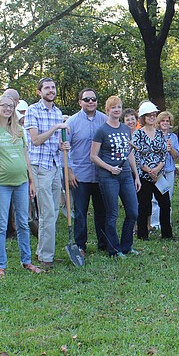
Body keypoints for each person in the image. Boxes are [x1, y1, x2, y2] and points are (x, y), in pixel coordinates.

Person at [0, 95, 43, 278]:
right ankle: (1, 266)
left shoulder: (18, 129)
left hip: (21, 182)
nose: (7, 108)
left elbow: (25, 156)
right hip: (1, 184)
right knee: (1, 225)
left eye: (10, 106)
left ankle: (27, 261)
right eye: (3, 105)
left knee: (23, 223)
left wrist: (31, 180)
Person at [24, 77, 69, 269]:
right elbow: (35, 140)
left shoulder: (57, 112)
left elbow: (54, 143)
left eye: (53, 87)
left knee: (54, 211)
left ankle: (43, 251)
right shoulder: (32, 111)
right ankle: (46, 257)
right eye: (47, 88)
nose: (51, 90)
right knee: (47, 212)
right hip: (40, 167)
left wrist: (62, 145)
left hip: (54, 165)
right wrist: (55, 128)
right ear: (39, 92)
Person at [91, 96, 141, 257]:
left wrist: (136, 175)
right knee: (112, 214)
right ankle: (114, 249)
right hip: (108, 177)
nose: (117, 110)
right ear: (107, 110)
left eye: (119, 107)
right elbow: (93, 156)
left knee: (133, 211)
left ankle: (127, 246)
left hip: (125, 175)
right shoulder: (101, 131)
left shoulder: (126, 129)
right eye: (113, 107)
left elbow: (130, 153)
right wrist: (110, 168)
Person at [66, 89, 109, 254]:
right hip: (79, 175)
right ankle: (80, 245)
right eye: (86, 99)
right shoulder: (72, 122)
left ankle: (103, 243)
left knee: (102, 211)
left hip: (101, 175)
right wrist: (69, 172)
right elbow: (65, 149)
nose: (90, 102)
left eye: (93, 99)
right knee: (80, 212)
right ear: (80, 102)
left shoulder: (104, 120)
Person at [133, 101, 174, 240]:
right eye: (149, 115)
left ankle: (167, 234)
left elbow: (164, 153)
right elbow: (135, 155)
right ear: (143, 117)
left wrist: (157, 169)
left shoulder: (160, 134)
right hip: (144, 176)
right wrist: (148, 170)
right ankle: (142, 235)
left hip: (159, 175)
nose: (151, 117)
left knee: (165, 204)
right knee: (144, 206)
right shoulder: (138, 134)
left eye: (153, 115)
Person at [152, 111, 179, 230]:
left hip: (169, 170)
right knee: (155, 199)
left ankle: (166, 222)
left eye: (167, 121)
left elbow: (176, 156)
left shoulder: (173, 137)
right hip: (157, 171)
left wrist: (170, 148)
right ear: (158, 122)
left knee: (167, 196)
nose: (165, 123)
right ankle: (155, 223)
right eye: (162, 121)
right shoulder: (154, 135)